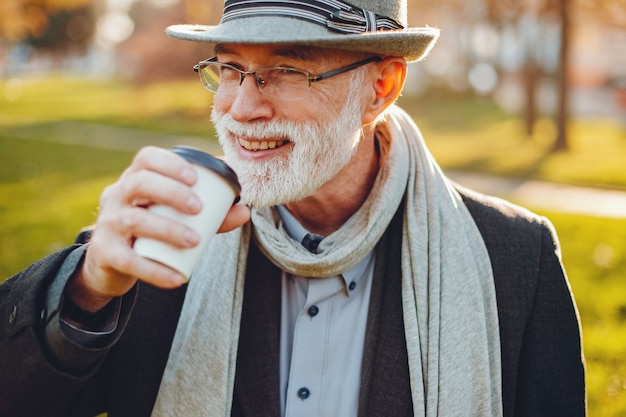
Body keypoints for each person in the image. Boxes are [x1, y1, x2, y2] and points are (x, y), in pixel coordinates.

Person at [0, 0, 586, 416]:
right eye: (230, 68)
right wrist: (85, 290)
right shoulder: (159, 238)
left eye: (286, 69)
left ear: (380, 87)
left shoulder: (516, 258)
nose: (242, 108)